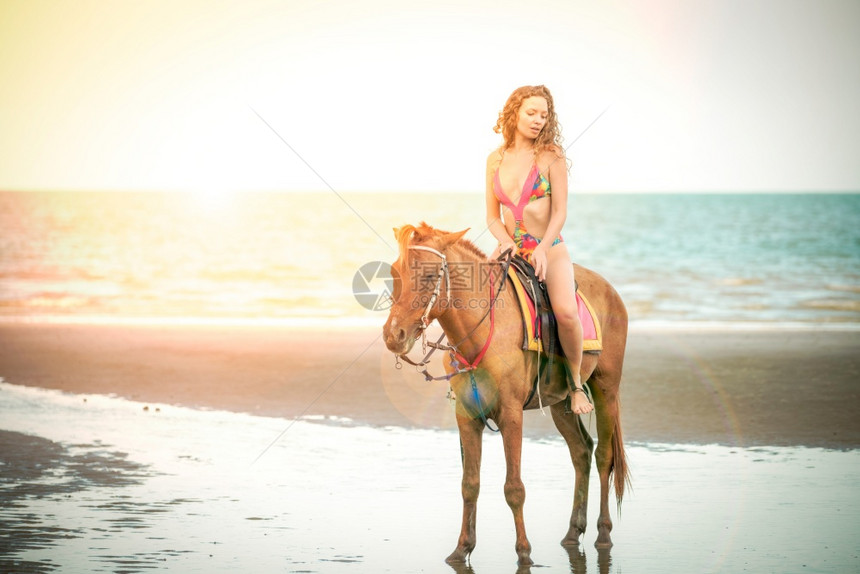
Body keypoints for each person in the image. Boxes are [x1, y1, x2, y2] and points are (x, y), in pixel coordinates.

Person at [485, 85, 593, 416]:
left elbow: (559, 213)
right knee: (474, 303)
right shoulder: (495, 159)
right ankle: (470, 374)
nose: (537, 120)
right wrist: (504, 242)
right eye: (531, 112)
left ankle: (575, 384)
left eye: (544, 115)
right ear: (514, 112)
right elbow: (491, 217)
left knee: (565, 312)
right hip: (510, 251)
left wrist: (544, 248)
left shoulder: (551, 156)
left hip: (549, 248)